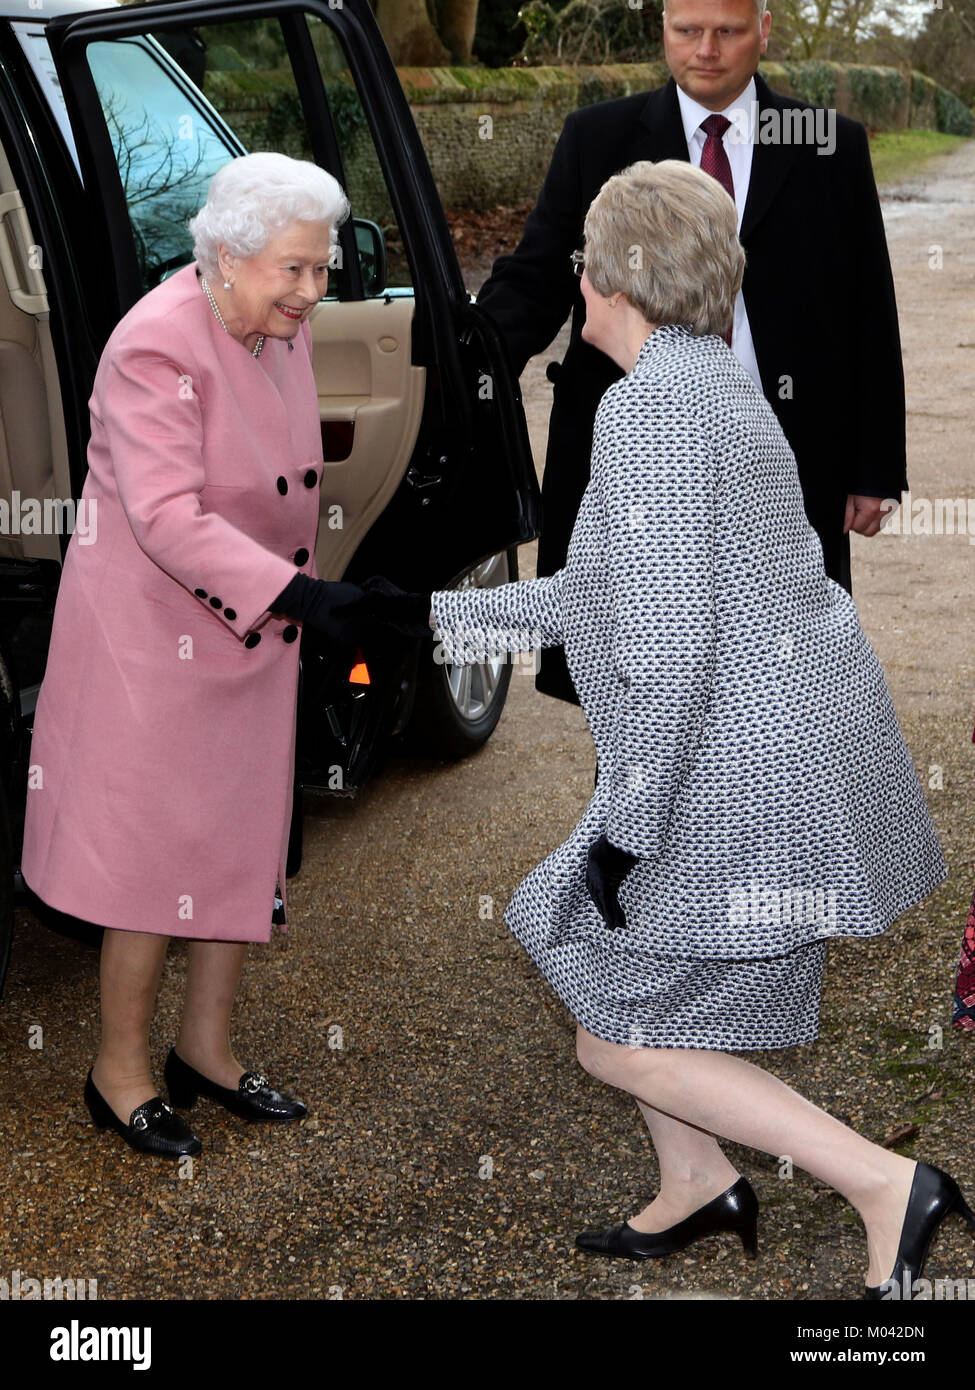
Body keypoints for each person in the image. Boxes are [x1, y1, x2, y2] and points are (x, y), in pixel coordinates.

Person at [427, 159, 971, 1298]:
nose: (574, 281)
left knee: (608, 1021)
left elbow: (665, 646)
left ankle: (885, 1184)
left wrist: (631, 824)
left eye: (582, 260)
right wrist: (425, 619)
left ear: (610, 276)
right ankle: (697, 1180)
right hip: (781, 735)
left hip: (739, 760)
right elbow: (614, 589)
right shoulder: (710, 381)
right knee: (604, 971)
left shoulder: (648, 410)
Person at [21, 152, 422, 1160]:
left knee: (235, 837)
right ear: (230, 256)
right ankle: (117, 1071)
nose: (313, 293)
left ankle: (206, 1050)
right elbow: (163, 516)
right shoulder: (157, 344)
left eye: (323, 270)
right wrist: (304, 598)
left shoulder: (268, 326)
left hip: (252, 628)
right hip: (154, 640)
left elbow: (282, 487)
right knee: (153, 854)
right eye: (296, 270)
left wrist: (317, 597)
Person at [477, 0, 905, 707]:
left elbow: (868, 306)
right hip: (633, 453)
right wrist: (470, 356)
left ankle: (765, 807)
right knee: (635, 665)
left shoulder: (829, 143)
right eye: (686, 31)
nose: (705, 49)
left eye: (728, 32)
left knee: (782, 669)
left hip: (786, 451)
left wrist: (874, 465)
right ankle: (632, 811)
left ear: (763, 31)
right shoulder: (597, 136)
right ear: (663, 31)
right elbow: (538, 274)